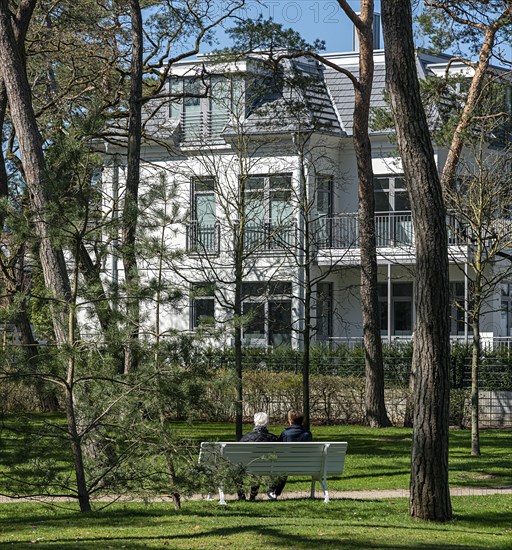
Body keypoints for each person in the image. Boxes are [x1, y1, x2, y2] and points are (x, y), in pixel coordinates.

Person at [267, 409, 312, 500]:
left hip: (287, 464)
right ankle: (275, 492)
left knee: (282, 465)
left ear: (290, 421)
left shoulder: (286, 433)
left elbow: (278, 449)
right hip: (305, 465)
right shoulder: (308, 434)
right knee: (285, 465)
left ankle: (272, 491)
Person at [237, 412, 278, 500]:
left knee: (239, 468)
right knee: (258, 468)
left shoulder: (246, 438)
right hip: (266, 467)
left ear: (255, 422)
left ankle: (241, 495)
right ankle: (253, 495)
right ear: (267, 423)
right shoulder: (273, 438)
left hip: (246, 466)